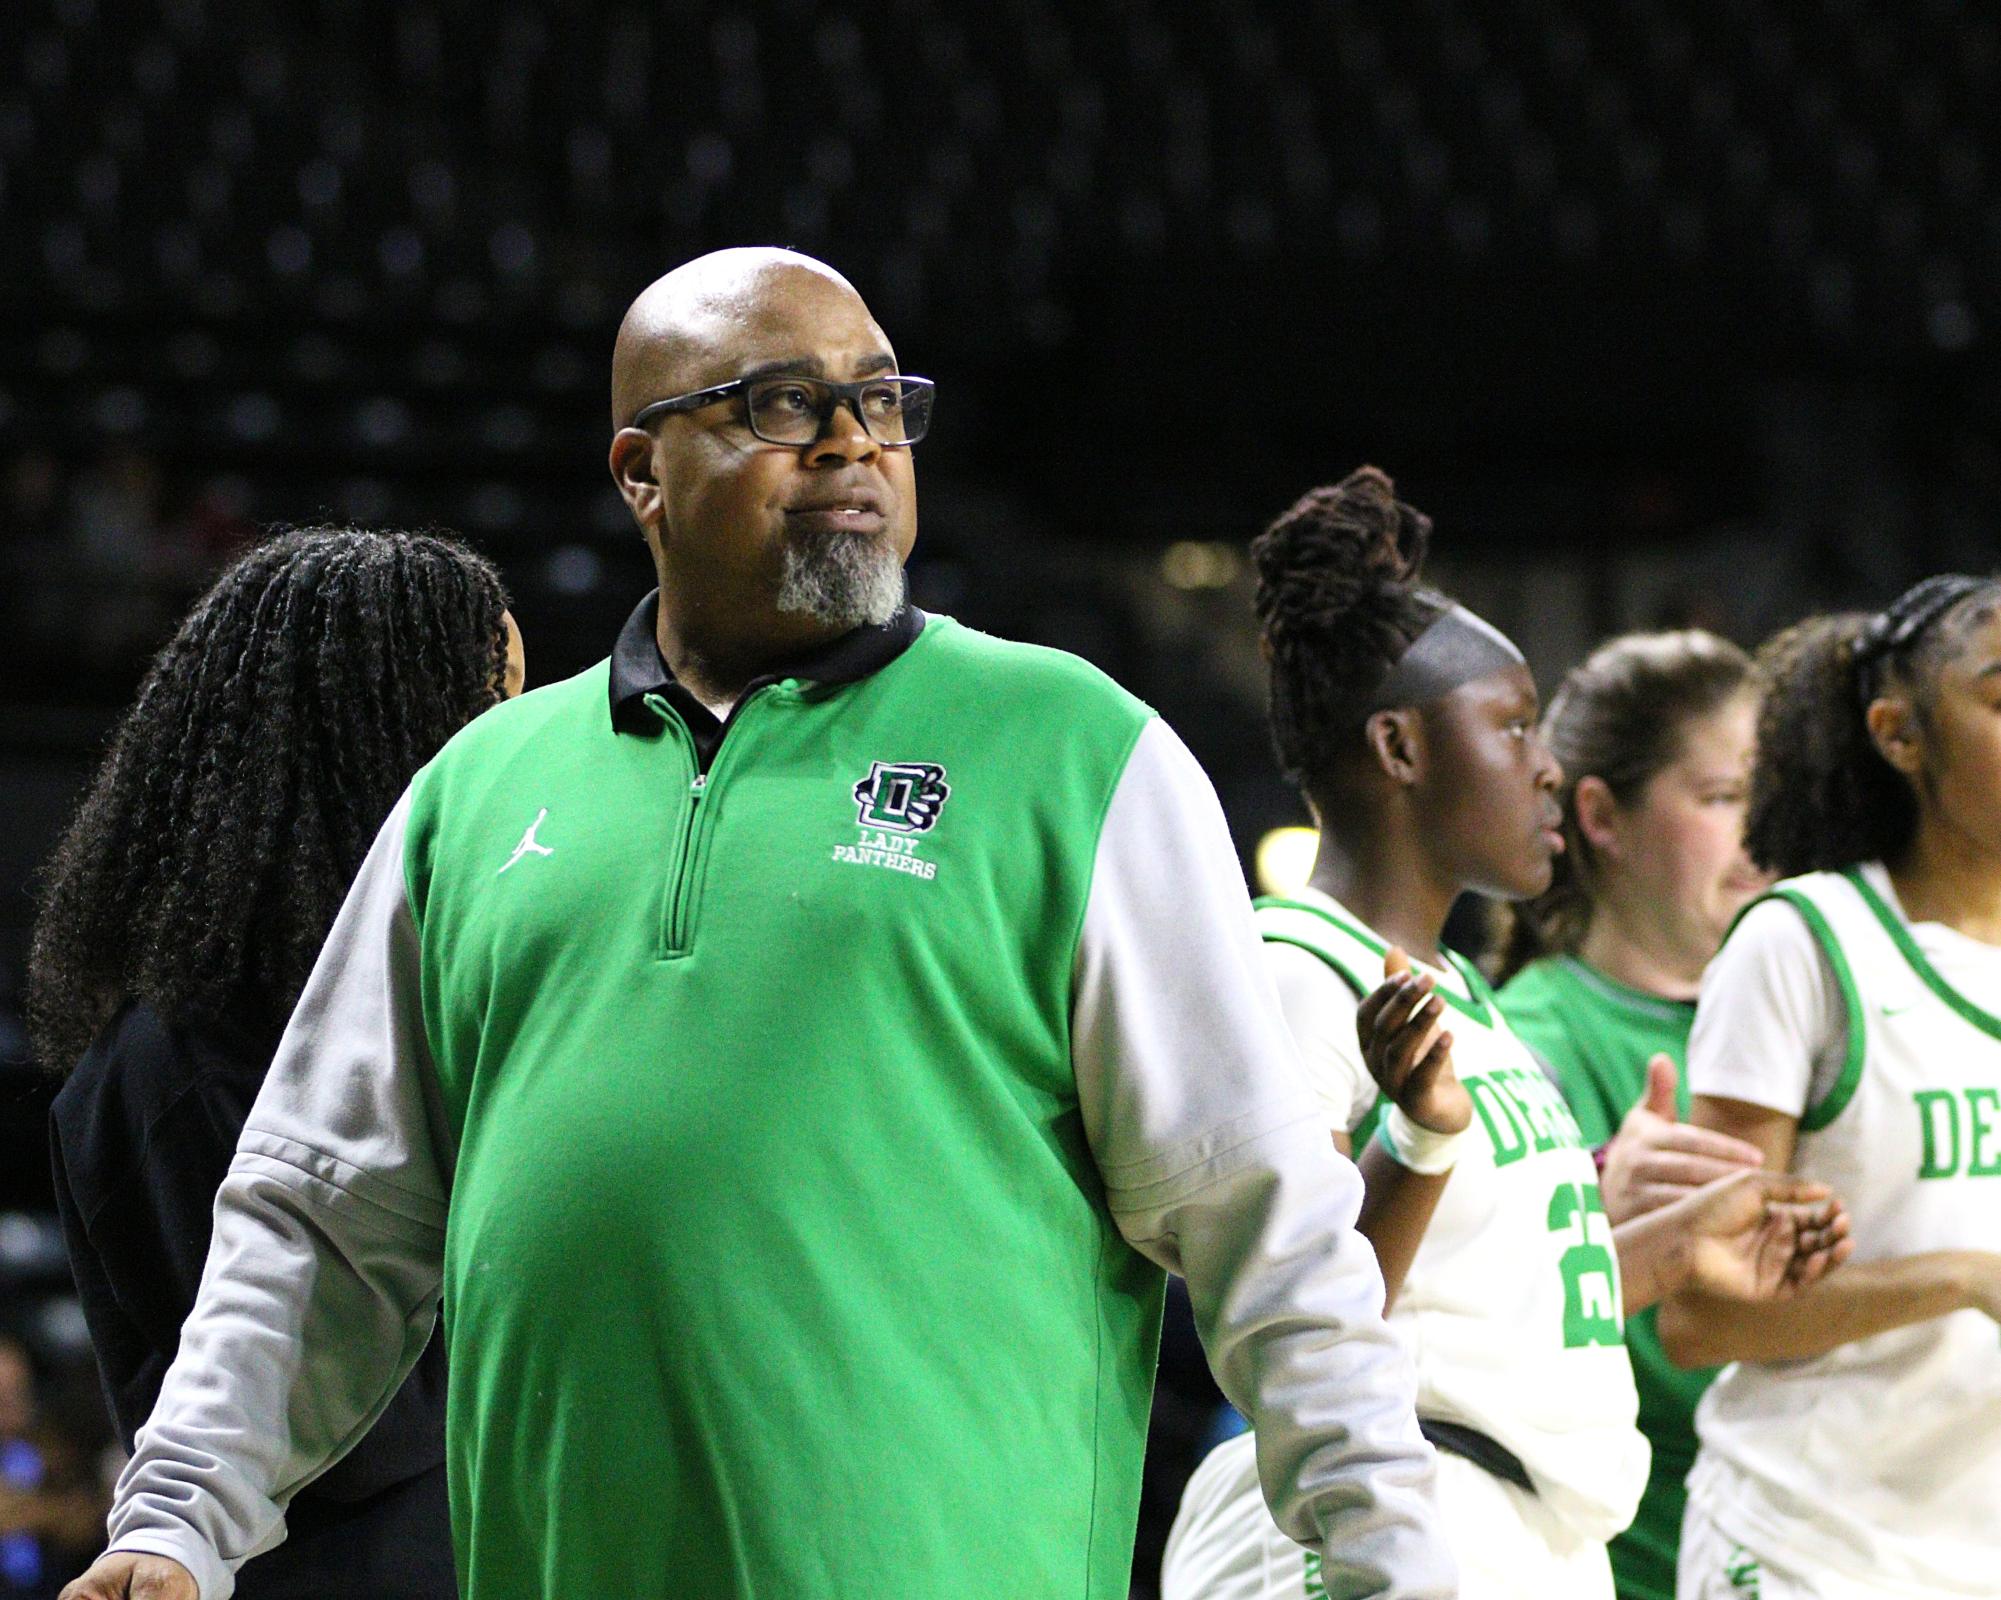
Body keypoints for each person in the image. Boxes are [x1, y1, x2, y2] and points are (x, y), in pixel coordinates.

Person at [60, 251, 1453, 1600]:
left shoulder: (1080, 751)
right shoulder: (475, 791)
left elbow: (1268, 1223)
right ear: (639, 472)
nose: (852, 441)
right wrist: (182, 1515)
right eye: (782, 403)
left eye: (881, 401)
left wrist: (1392, 1568)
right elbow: (321, 1215)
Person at [1161, 469, 1849, 1600]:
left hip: (1509, 1526)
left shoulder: (1459, 997)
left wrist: (1680, 1246)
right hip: (1376, 1520)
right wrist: (1421, 1143)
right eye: (1514, 726)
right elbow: (1304, 1328)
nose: (1546, 767)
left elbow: (1482, 1316)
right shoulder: (1292, 974)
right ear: (1399, 747)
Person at [32, 528, 523, 1600]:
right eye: (489, 713)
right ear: (385, 737)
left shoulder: (426, 1022)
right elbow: (346, 1434)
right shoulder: (174, 1066)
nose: (517, 763)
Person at [1662, 576, 2001, 1600]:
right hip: (1811, 1542)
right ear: (1900, 734)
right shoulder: (1805, 940)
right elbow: (1700, 1317)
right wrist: (1966, 1277)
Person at [1496, 631, 1771, 1600]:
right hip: (1631, 1568)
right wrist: (1584, 1218)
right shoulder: (1516, 1043)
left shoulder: (1823, 1012)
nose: (1765, 831)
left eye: (1773, 792)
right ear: (1602, 815)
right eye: (1725, 795)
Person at [0, 1337, 107, 1599]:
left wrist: (39, 1512)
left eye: (19, 1392)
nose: (16, 1406)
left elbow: (85, 1519)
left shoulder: (46, 1446)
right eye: (3, 1396)